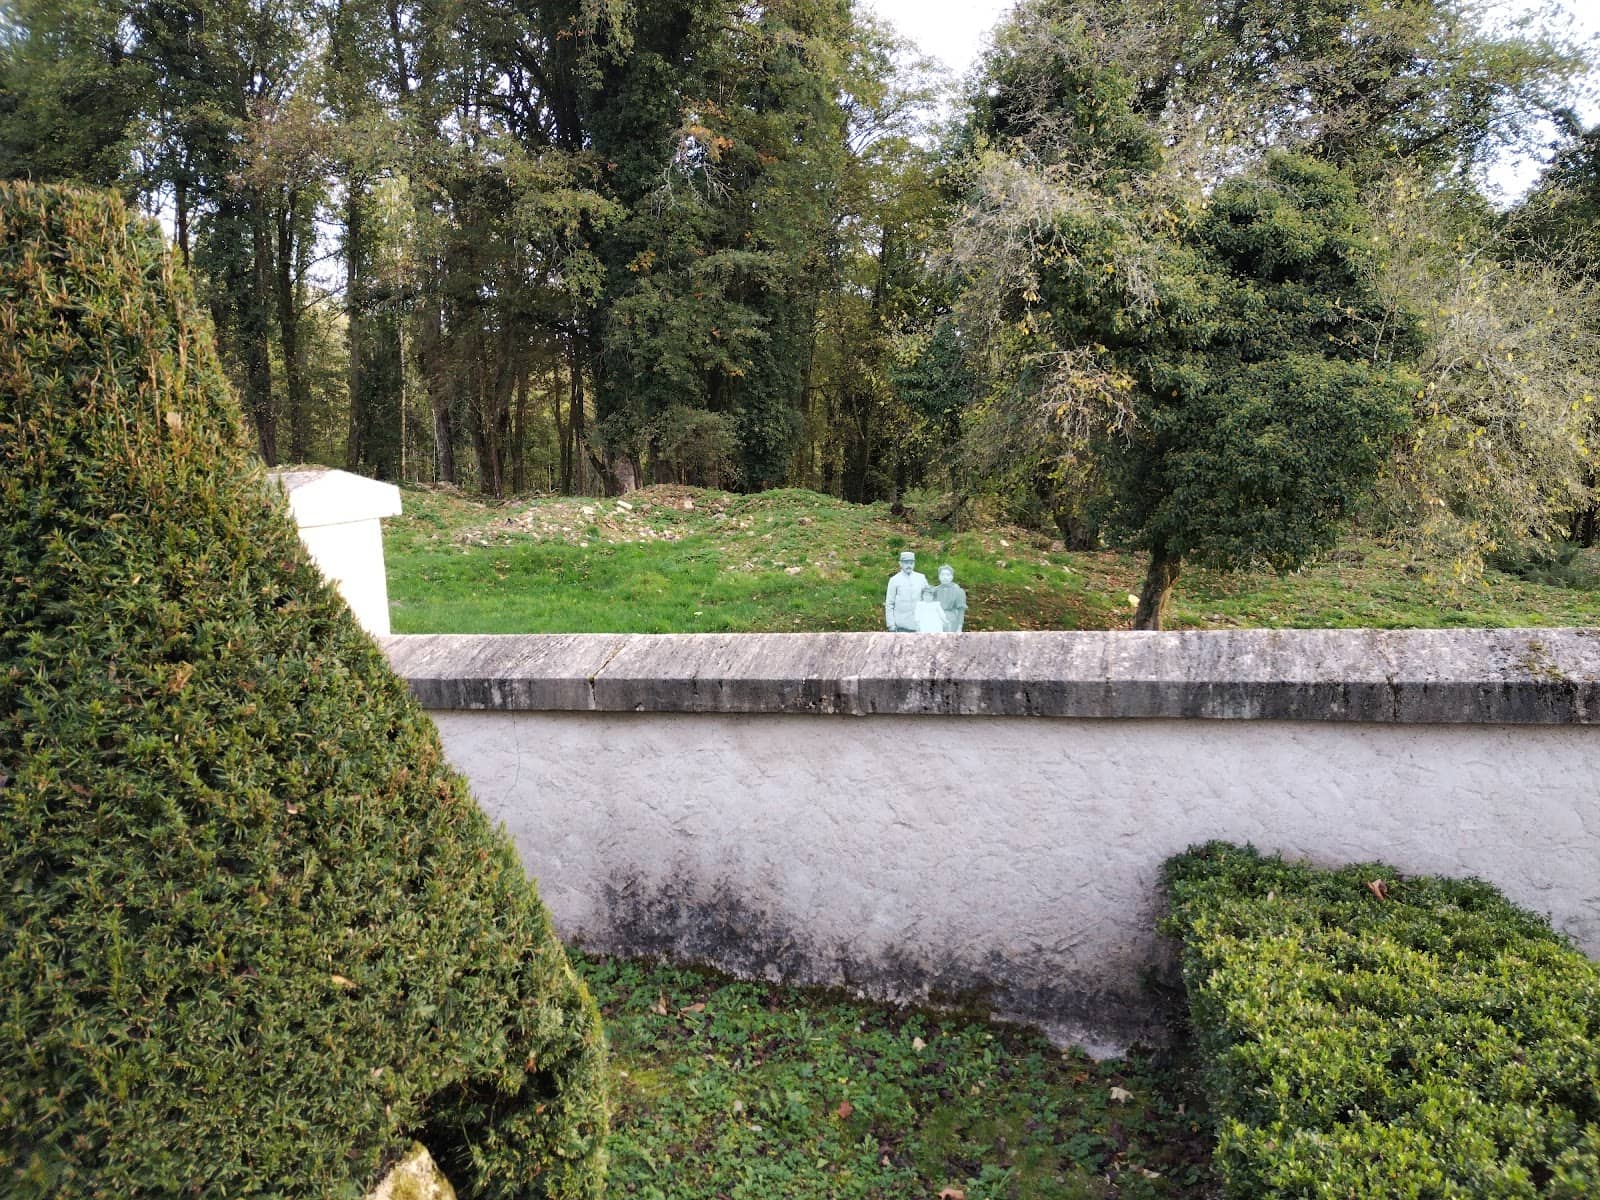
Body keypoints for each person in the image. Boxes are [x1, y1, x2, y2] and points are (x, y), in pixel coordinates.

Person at [884, 551, 928, 631]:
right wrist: (891, 625)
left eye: (911, 563)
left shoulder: (921, 578)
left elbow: (928, 599)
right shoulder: (894, 580)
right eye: (906, 563)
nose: (909, 565)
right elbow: (889, 604)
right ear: (900, 564)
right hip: (901, 625)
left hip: (919, 625)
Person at [933, 564, 967, 631]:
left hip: (951, 620)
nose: (945, 577)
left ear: (952, 577)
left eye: (948, 575)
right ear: (939, 576)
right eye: (942, 575)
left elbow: (961, 611)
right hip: (936, 620)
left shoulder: (958, 591)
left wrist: (959, 628)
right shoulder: (934, 590)